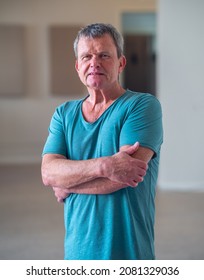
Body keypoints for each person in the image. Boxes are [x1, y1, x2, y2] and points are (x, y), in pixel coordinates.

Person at [41, 23, 163, 260]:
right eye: (86, 56)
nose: (94, 62)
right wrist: (105, 166)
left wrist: (68, 183)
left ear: (121, 63)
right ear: (78, 66)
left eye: (104, 55)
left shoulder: (142, 106)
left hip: (128, 255)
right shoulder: (64, 114)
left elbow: (127, 175)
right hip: (77, 254)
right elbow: (48, 173)